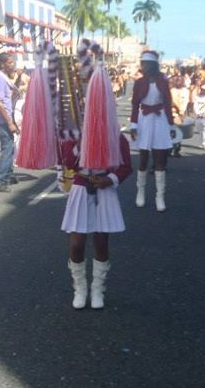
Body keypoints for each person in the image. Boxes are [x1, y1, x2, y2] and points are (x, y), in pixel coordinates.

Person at [62, 133, 132, 310]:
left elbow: (126, 166)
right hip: (80, 188)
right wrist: (79, 143)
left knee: (101, 241)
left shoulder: (116, 135)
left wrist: (109, 179)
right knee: (77, 243)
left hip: (104, 187)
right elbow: (68, 163)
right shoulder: (74, 135)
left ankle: (98, 289)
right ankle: (80, 289)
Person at [130, 50, 174, 212]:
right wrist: (133, 125)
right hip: (144, 120)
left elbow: (168, 103)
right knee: (143, 159)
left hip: (160, 119)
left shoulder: (163, 81)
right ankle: (140, 192)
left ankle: (159, 196)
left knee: (160, 159)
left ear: (154, 65)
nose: (144, 66)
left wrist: (171, 125)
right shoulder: (139, 82)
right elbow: (135, 105)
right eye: (143, 64)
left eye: (147, 64)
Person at [0, 53, 19, 192]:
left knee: (10, 146)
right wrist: (10, 123)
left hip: (7, 116)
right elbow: (0, 103)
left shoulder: (4, 78)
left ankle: (8, 174)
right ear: (2, 64)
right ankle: (0, 179)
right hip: (2, 119)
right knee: (7, 148)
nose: (12, 65)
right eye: (10, 63)